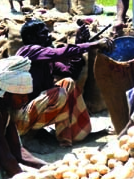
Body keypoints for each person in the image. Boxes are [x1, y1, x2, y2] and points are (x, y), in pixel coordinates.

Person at [14, 19, 114, 147]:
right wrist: (93, 45)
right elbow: (59, 54)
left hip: (34, 112)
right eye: (43, 33)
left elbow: (70, 72)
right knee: (59, 93)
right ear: (31, 37)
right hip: (21, 118)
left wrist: (80, 44)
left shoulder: (46, 59)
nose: (49, 36)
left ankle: (73, 136)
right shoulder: (28, 51)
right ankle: (29, 135)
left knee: (68, 83)